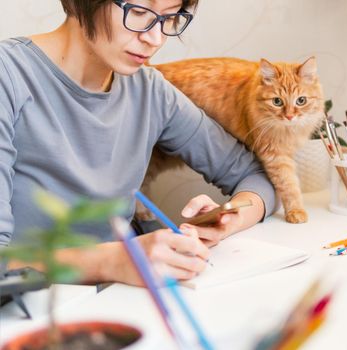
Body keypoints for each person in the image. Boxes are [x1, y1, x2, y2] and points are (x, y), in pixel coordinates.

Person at [0, 0, 276, 286]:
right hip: (26, 311)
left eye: (169, 18)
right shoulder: (8, 74)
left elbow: (254, 177)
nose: (155, 39)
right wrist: (114, 261)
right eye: (139, 12)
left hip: (120, 303)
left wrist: (229, 220)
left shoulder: (149, 90)